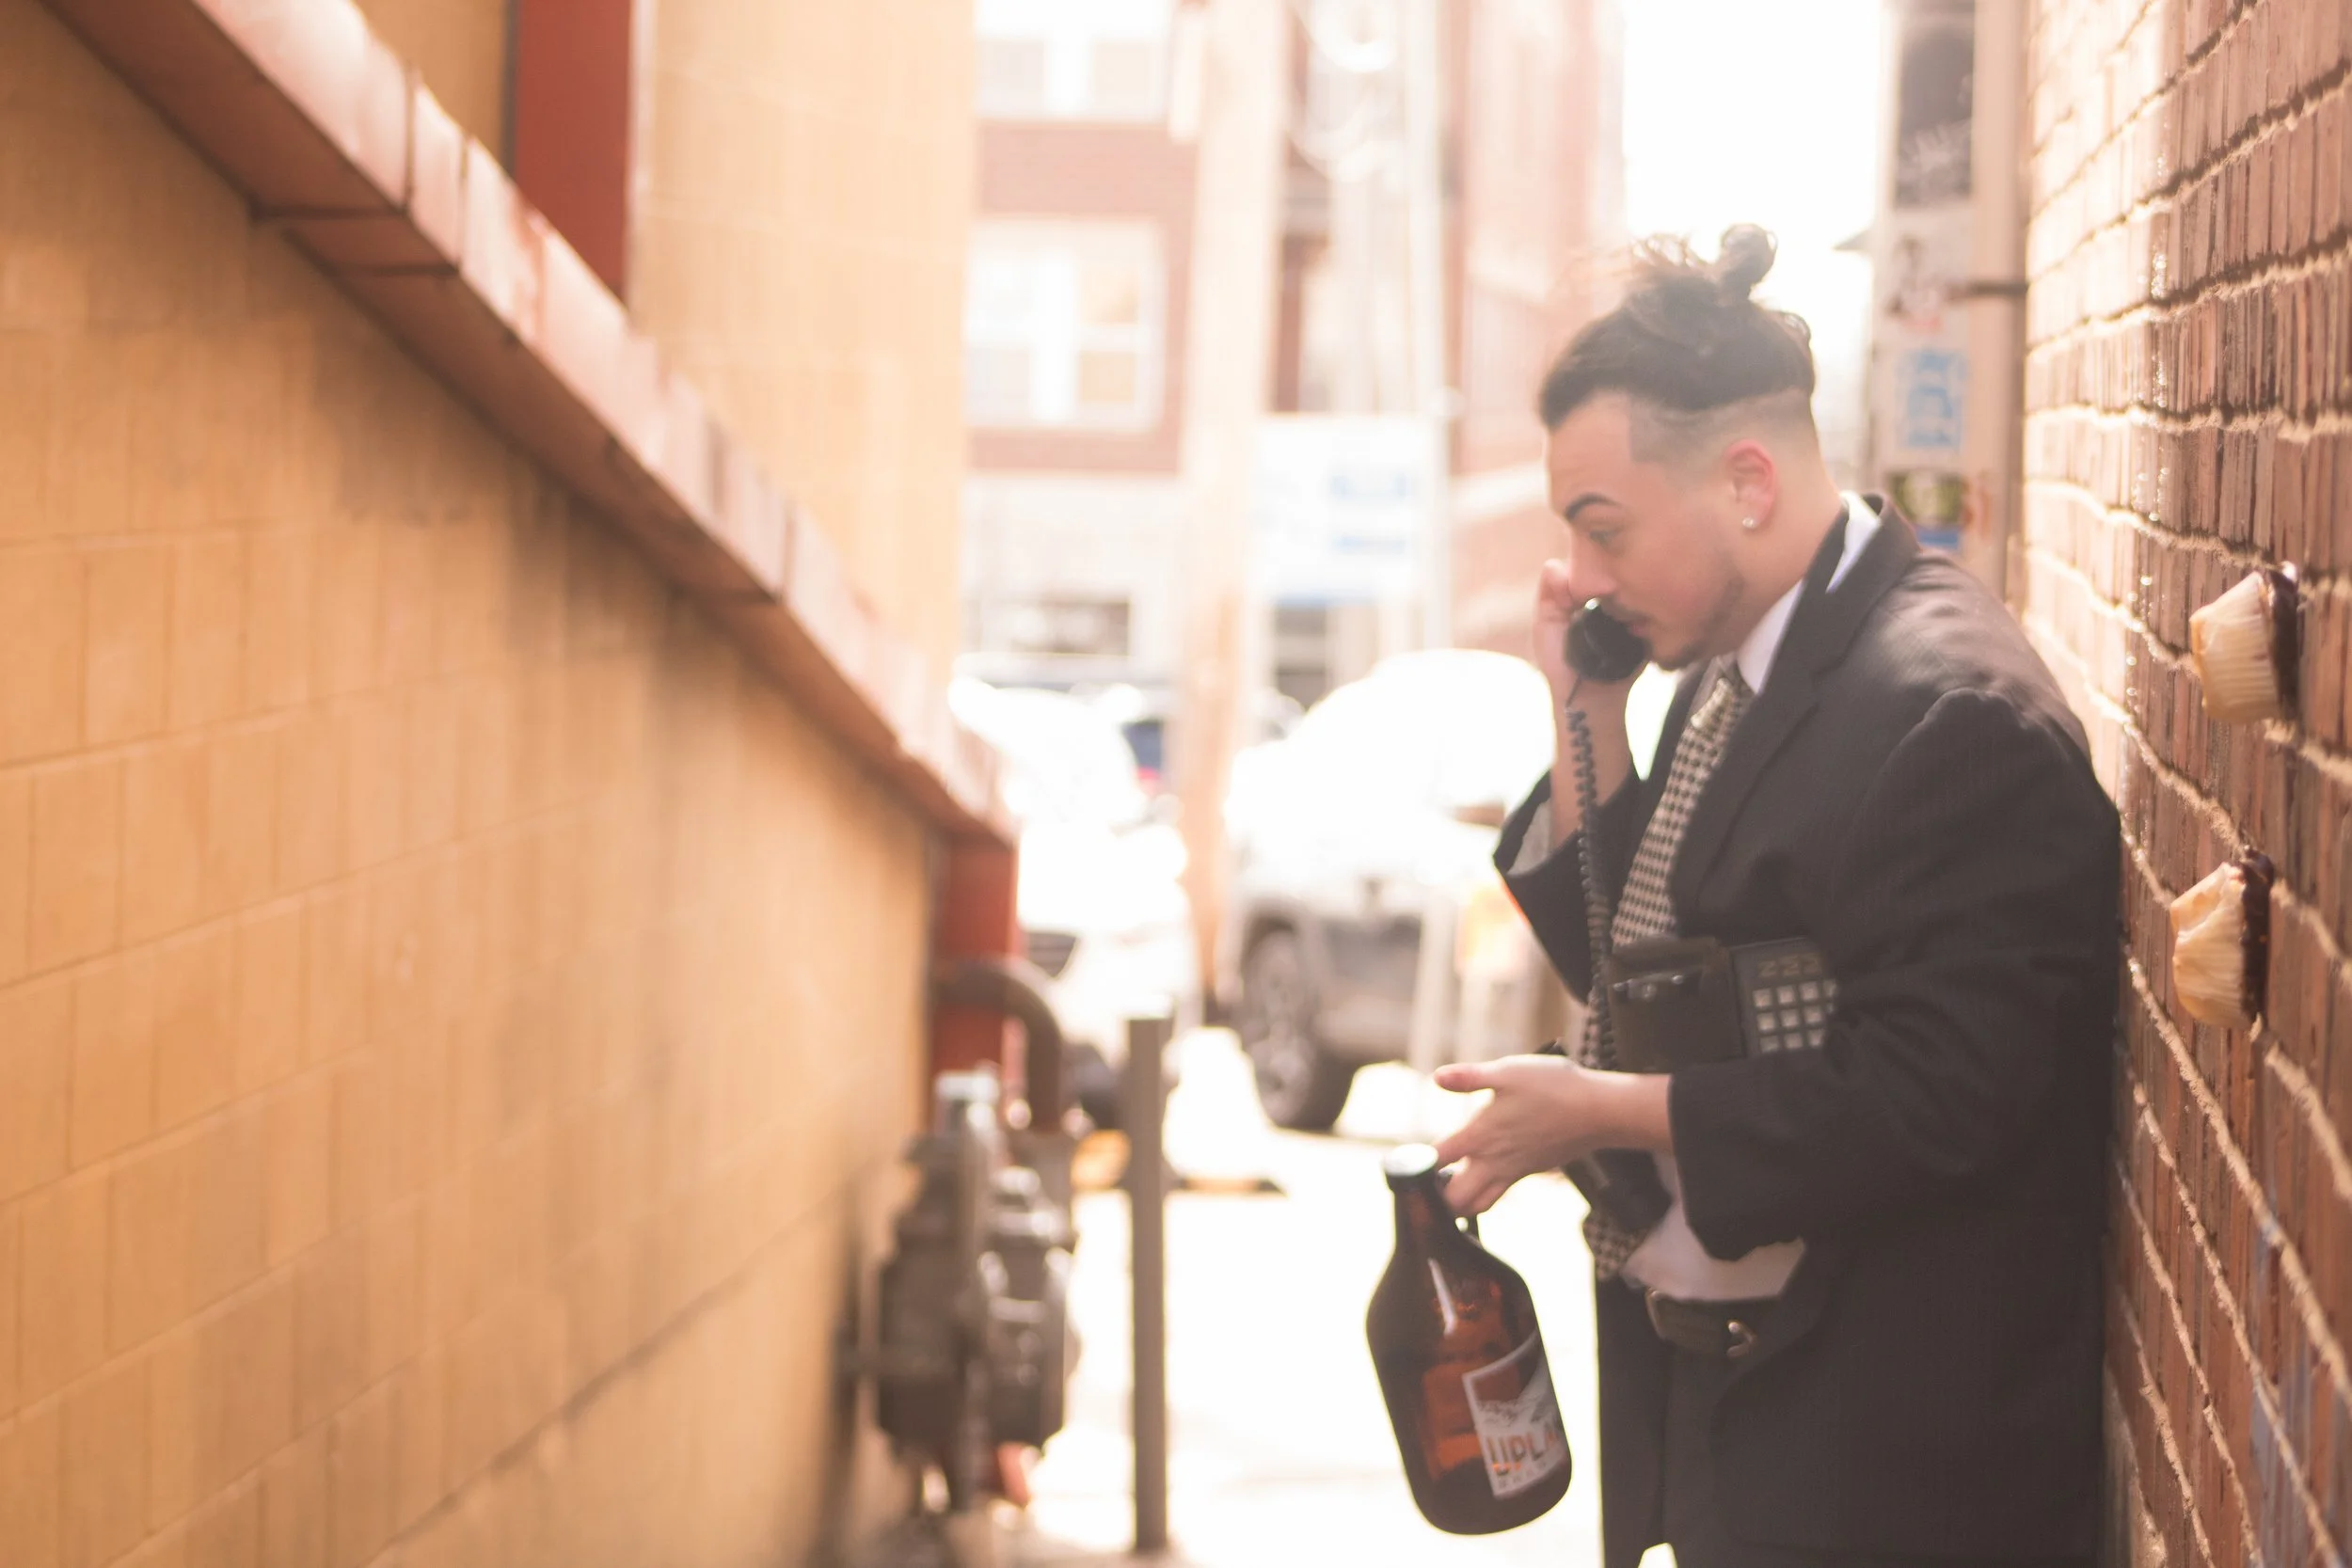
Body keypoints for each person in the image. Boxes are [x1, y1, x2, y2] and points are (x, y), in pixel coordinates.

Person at [1431, 227, 2119, 1568]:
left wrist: (1603, 1112)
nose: (1584, 575)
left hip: (1879, 1471)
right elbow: (1640, 958)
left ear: (1746, 481)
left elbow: (1938, 1094)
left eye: (1604, 528)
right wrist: (1588, 714)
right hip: (1736, 1422)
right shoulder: (1739, 658)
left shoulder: (1948, 716)